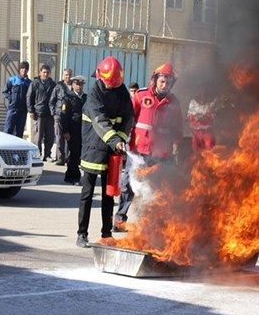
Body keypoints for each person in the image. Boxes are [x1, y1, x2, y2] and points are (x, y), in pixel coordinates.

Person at [114, 63, 182, 232]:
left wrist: (177, 147)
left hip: (161, 154)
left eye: (168, 81)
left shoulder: (174, 102)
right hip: (138, 151)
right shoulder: (140, 96)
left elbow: (178, 128)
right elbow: (129, 119)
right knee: (128, 186)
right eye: (162, 80)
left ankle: (150, 225)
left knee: (156, 189)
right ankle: (119, 219)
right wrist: (122, 140)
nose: (164, 84)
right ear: (155, 80)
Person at [76, 56, 135, 248]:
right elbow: (100, 120)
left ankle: (106, 233)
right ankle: (82, 234)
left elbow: (128, 118)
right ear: (100, 76)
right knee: (87, 193)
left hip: (112, 150)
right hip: (93, 150)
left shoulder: (122, 92)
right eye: (108, 83)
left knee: (109, 194)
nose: (110, 86)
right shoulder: (94, 94)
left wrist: (121, 139)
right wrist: (115, 140)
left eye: (113, 83)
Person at [27, 64, 55, 161]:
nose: (46, 74)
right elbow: (29, 97)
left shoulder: (53, 84)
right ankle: (37, 154)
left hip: (50, 114)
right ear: (40, 73)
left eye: (47, 72)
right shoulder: (35, 83)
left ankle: (47, 154)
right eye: (44, 72)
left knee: (50, 136)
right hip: (38, 113)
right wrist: (31, 110)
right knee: (38, 136)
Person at [61, 75, 86, 184]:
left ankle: (69, 176)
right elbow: (64, 115)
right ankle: (74, 177)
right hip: (72, 130)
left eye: (81, 84)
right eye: (77, 84)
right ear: (73, 85)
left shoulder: (85, 97)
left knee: (79, 153)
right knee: (73, 153)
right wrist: (65, 131)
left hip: (83, 130)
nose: (79, 86)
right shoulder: (67, 98)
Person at [3, 61, 31, 138]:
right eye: (22, 68)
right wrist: (11, 99)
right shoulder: (12, 80)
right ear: (19, 69)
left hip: (23, 111)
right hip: (12, 110)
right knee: (8, 131)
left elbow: (31, 96)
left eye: (26, 69)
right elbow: (5, 92)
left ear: (27, 70)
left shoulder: (29, 83)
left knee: (19, 133)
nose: (24, 70)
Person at [50, 68, 73, 166]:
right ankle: (60, 158)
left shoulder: (73, 86)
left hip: (70, 116)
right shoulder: (58, 86)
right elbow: (52, 101)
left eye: (69, 75)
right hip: (59, 115)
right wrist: (54, 113)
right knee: (59, 137)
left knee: (69, 137)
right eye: (66, 75)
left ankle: (69, 158)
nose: (68, 77)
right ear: (63, 76)